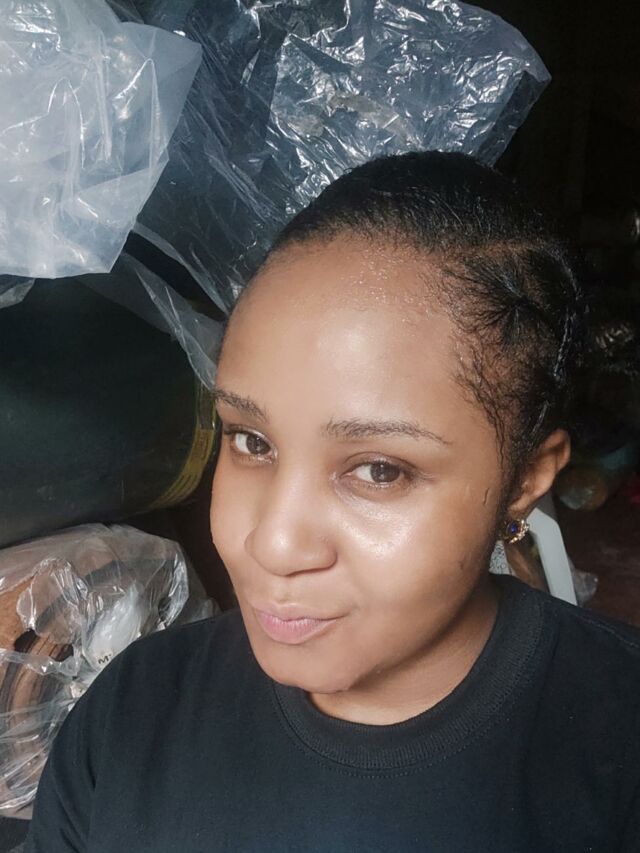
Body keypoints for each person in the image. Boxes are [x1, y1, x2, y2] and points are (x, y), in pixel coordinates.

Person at [26, 152, 640, 852]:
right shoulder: (133, 712)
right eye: (252, 441)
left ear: (526, 479)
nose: (272, 543)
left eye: (380, 470)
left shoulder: (617, 742)